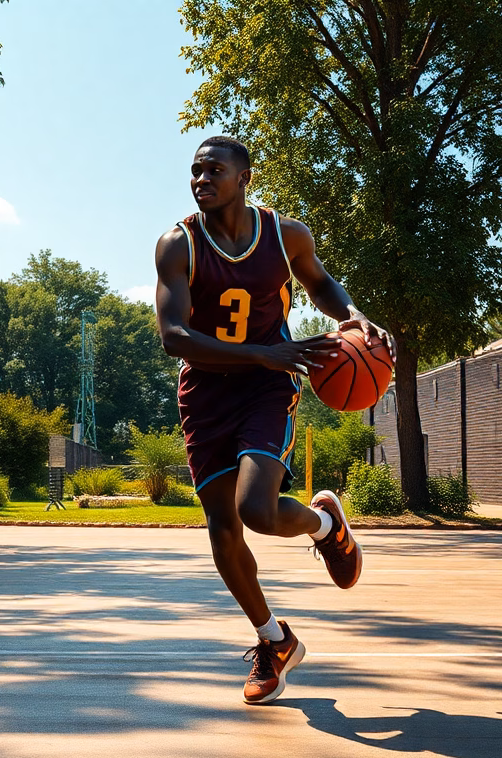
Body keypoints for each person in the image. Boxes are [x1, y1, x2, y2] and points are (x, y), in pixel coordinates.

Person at [152, 136, 392, 705]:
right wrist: (265, 351)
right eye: (195, 171)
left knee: (255, 509)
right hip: (208, 390)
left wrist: (355, 315)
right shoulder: (177, 244)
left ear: (245, 179)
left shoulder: (286, 236)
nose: (201, 179)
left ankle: (326, 527)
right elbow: (174, 337)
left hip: (268, 385)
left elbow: (322, 284)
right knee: (222, 527)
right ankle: (274, 639)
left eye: (215, 170)